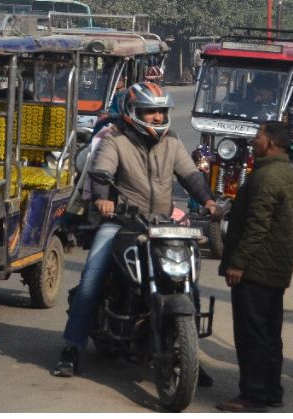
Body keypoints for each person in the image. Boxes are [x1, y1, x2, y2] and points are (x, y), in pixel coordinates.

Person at [53, 81, 219, 378]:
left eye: (161, 111)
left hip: (162, 224)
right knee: (92, 280)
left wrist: (208, 201)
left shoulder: (172, 142)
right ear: (133, 112)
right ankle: (71, 348)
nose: (157, 117)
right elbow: (101, 171)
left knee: (188, 284)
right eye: (150, 111)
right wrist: (103, 199)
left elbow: (190, 176)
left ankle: (190, 354)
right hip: (122, 223)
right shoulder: (116, 140)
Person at [216, 121, 293, 412]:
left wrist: (238, 263)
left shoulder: (266, 177)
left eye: (257, 137)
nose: (254, 142)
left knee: (252, 334)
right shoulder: (287, 174)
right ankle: (270, 390)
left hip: (257, 269)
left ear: (269, 144)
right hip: (275, 269)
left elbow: (257, 226)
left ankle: (253, 395)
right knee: (269, 335)